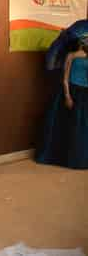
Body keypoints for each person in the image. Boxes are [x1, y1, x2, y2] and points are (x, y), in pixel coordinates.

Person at [36, 20, 88, 169]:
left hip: (85, 92)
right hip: (73, 90)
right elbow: (65, 78)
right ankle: (70, 157)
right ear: (79, 40)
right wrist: (67, 95)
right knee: (71, 125)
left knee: (83, 126)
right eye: (84, 38)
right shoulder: (71, 55)